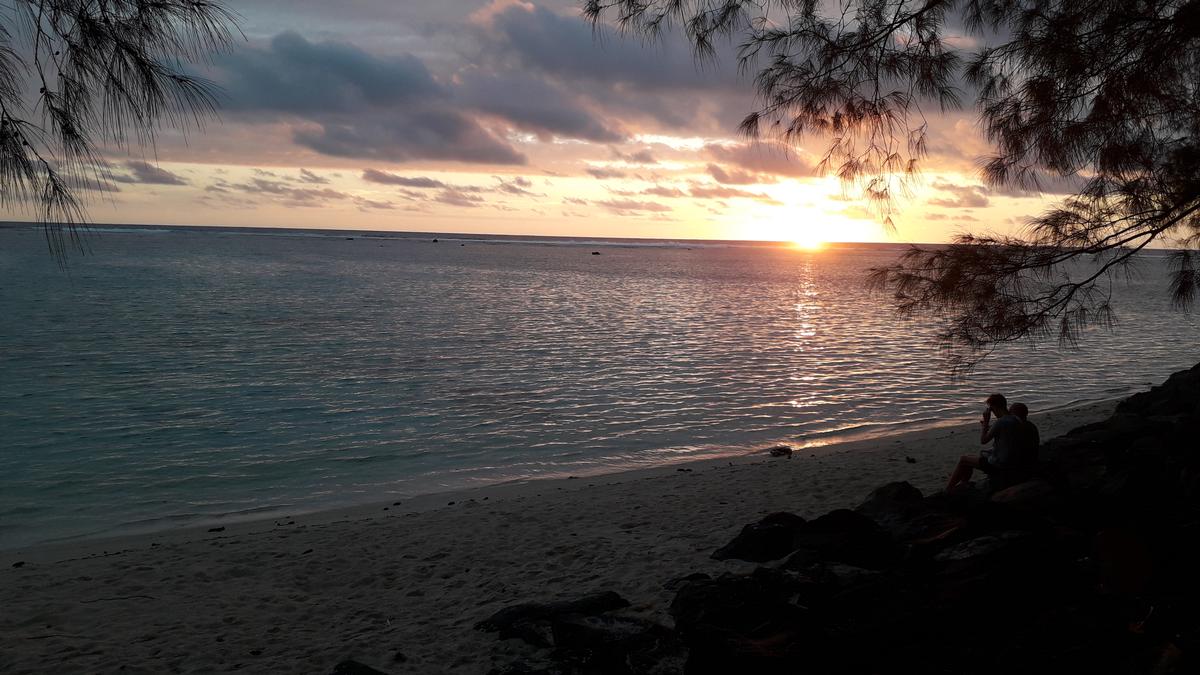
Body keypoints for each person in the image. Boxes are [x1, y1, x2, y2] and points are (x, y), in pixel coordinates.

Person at [946, 393, 1024, 492]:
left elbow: (983, 440)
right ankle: (963, 483)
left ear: (994, 407)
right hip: (1013, 461)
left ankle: (948, 489)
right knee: (970, 457)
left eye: (991, 409)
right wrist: (988, 427)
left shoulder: (1000, 422)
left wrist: (986, 423)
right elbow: (1003, 432)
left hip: (999, 465)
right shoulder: (1015, 420)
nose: (992, 412)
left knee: (963, 459)